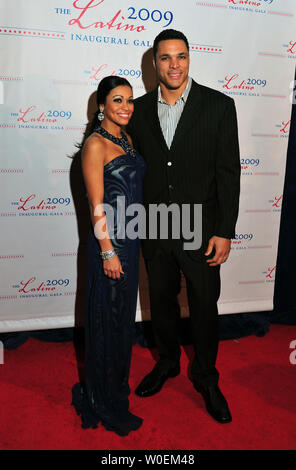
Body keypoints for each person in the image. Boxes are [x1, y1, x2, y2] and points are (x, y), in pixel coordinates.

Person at [127, 30, 240, 424]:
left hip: (201, 226)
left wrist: (225, 230)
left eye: (181, 56)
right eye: (165, 58)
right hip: (155, 223)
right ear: (154, 63)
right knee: (160, 302)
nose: (174, 65)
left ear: (190, 59)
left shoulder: (219, 106)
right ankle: (168, 362)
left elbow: (228, 173)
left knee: (204, 307)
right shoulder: (137, 111)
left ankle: (207, 377)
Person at [71, 76, 145, 436]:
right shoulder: (95, 146)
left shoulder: (126, 140)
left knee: (122, 324)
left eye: (129, 100)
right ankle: (103, 396)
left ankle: (116, 388)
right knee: (108, 321)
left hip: (130, 242)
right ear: (101, 105)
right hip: (111, 246)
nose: (126, 107)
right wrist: (107, 252)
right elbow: (95, 205)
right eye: (118, 100)